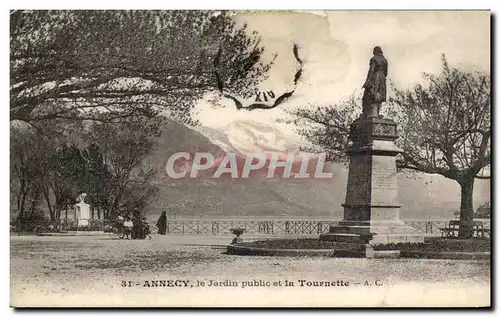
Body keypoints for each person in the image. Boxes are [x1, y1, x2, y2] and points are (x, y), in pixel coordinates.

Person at [362, 46, 388, 118]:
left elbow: (371, 71)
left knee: (369, 94)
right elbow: (386, 73)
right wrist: (382, 78)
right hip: (382, 79)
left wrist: (367, 82)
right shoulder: (385, 60)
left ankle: (369, 114)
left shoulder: (373, 59)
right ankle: (376, 113)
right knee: (379, 97)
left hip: (375, 77)